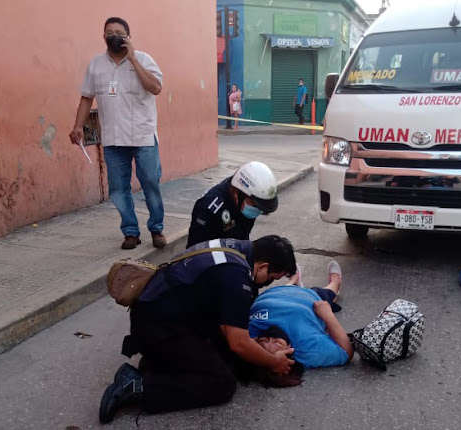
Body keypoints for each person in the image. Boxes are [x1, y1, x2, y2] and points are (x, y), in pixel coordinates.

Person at [98, 235, 298, 423]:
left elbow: (227, 328)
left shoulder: (235, 249)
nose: (268, 283)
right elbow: (239, 343)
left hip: (157, 319)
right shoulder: (237, 277)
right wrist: (274, 361)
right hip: (160, 329)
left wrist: (255, 349)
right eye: (271, 277)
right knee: (221, 383)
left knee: (221, 354)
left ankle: (159, 364)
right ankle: (136, 385)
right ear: (263, 266)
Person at [69, 17, 167, 250]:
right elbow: (86, 97)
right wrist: (77, 126)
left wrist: (132, 58)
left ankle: (156, 228)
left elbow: (156, 88)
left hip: (143, 136)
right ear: (103, 36)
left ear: (128, 36)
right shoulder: (95, 66)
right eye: (109, 32)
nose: (113, 36)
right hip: (113, 139)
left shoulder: (144, 59)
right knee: (118, 188)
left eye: (119, 32)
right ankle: (131, 232)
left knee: (150, 183)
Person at [249, 260, 354, 370]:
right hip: (310, 300)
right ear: (290, 352)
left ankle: (293, 282)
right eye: (277, 343)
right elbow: (346, 352)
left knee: (290, 287)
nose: (270, 341)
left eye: (263, 341)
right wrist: (328, 316)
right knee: (329, 293)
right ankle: (335, 282)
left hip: (275, 292)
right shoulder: (307, 349)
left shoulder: (250, 337)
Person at [186, 161, 278, 248]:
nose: (257, 211)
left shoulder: (243, 198)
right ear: (236, 193)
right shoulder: (207, 209)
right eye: (255, 205)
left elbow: (242, 237)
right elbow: (195, 253)